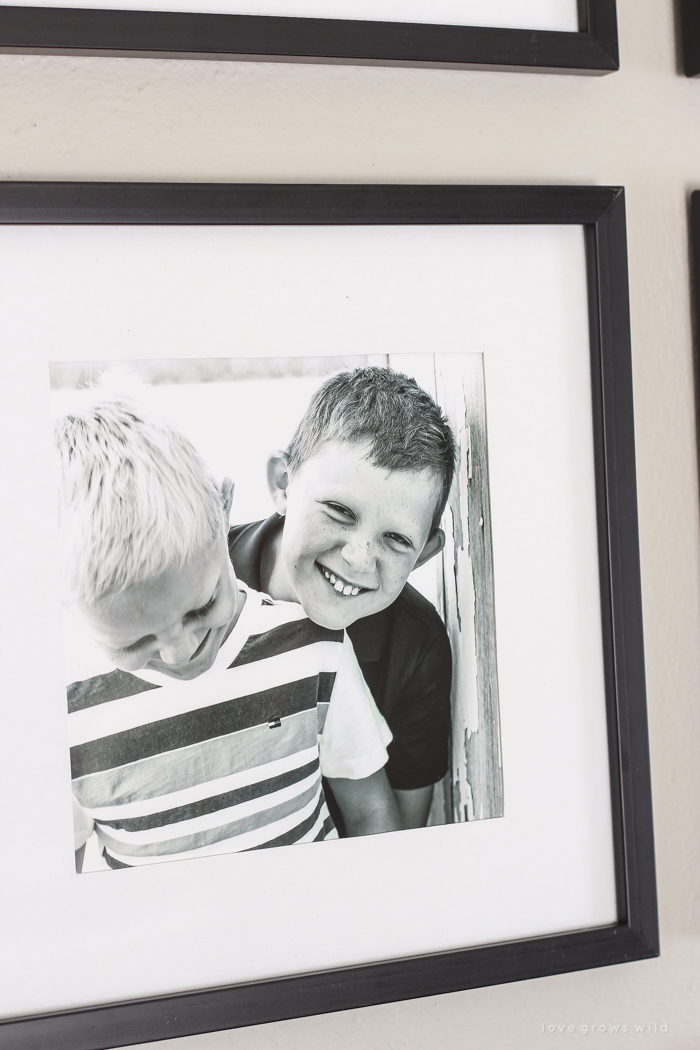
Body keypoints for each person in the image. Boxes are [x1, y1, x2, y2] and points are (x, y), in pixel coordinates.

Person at [56, 391, 401, 873]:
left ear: (223, 510)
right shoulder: (60, 717)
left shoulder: (313, 649)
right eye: (133, 642)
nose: (181, 653)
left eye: (201, 607)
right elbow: (60, 885)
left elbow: (371, 814)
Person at [228, 367, 456, 831]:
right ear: (282, 483)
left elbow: (397, 838)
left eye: (395, 540)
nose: (357, 558)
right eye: (339, 510)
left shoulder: (417, 647)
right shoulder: (207, 587)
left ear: (424, 554)